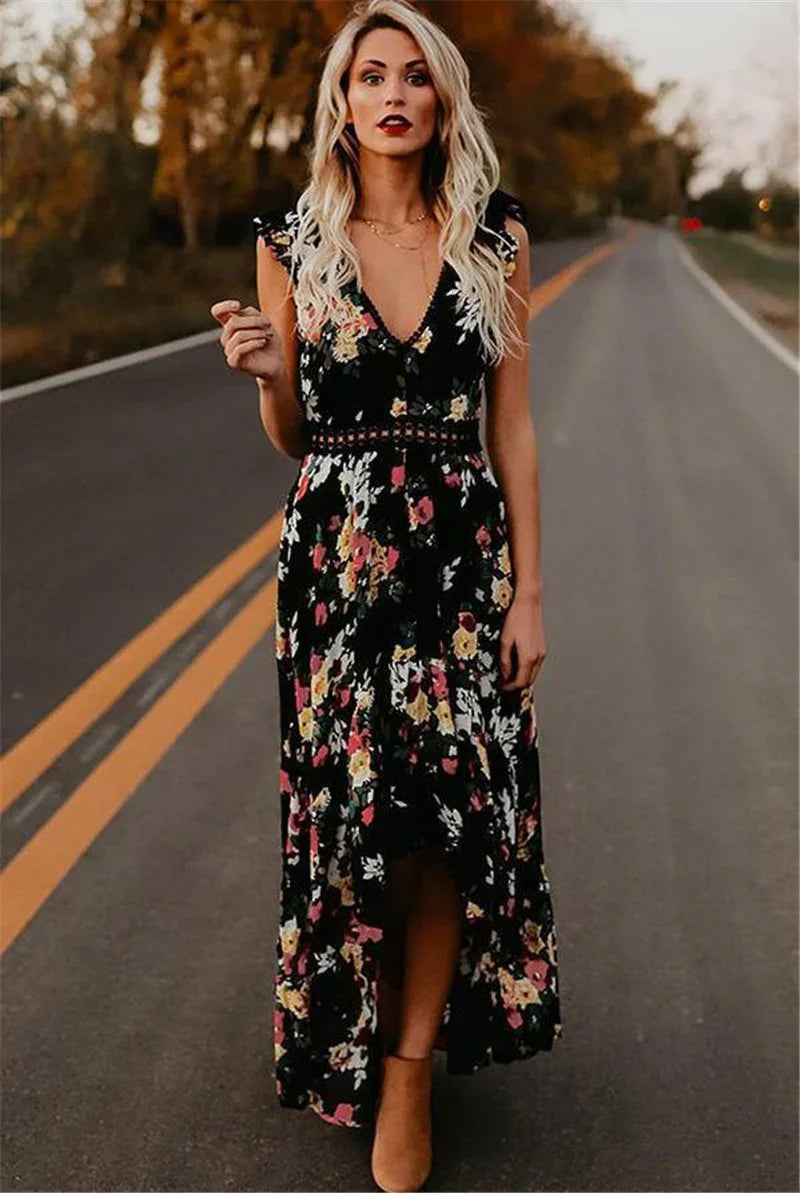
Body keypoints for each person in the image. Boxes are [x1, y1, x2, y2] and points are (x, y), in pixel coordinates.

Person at [211, 1, 562, 1187]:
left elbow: (509, 429)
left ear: (442, 100)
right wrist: (269, 374)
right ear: (343, 104)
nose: (393, 94)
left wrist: (528, 592)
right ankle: (358, 1035)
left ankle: (409, 1064)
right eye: (371, 76)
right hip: (339, 571)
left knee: (451, 823)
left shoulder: (494, 236)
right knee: (366, 828)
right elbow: (292, 436)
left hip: (462, 568)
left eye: (415, 75)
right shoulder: (291, 241)